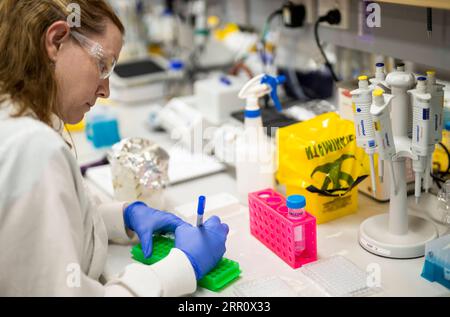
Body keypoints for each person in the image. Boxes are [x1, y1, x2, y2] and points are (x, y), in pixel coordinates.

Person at [0, 0, 229, 296]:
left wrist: (121, 217)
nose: (106, 90)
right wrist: (184, 265)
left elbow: (43, 228)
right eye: (103, 65)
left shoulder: (17, 116)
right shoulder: (30, 148)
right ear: (56, 41)